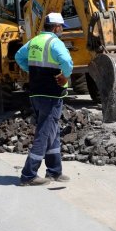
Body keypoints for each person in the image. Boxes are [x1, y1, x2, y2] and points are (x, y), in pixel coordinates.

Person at [14, 12, 74, 186]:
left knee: (52, 132)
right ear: (56, 27)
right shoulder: (55, 43)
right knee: (44, 133)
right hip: (51, 94)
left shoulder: (34, 42)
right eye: (61, 27)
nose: (62, 30)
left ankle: (54, 171)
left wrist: (31, 71)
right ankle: (28, 174)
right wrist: (65, 76)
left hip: (36, 94)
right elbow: (67, 62)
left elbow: (18, 56)